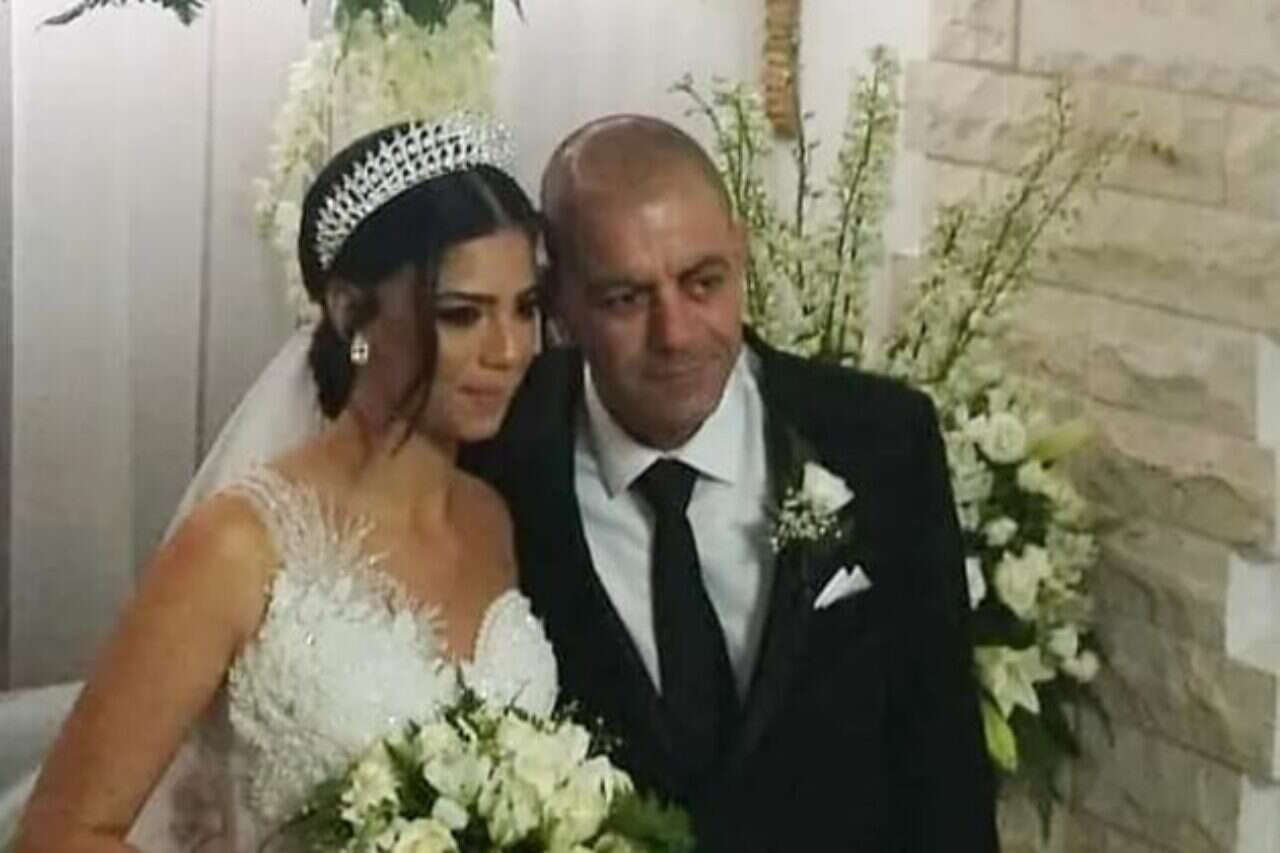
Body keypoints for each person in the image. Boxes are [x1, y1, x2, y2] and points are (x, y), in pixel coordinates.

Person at [14, 114, 558, 852]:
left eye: (526, 308)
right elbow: (59, 834)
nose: (510, 349)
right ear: (350, 310)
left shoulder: (492, 520)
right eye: (461, 314)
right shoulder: (238, 546)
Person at [464, 115, 1000, 851]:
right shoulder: (497, 464)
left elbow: (944, 762)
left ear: (741, 253)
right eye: (626, 299)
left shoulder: (880, 440)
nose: (676, 333)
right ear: (559, 304)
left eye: (703, 283)